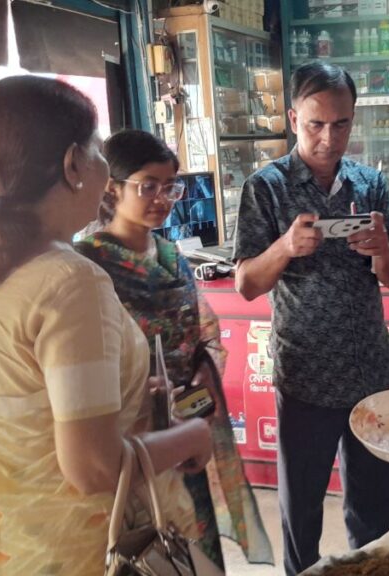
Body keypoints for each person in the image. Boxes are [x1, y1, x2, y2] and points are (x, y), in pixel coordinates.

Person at [0, 76, 213, 575]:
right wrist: (191, 437)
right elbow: (92, 467)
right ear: (72, 165)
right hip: (71, 548)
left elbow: (22, 403)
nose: (105, 167)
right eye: (97, 149)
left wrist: (126, 394)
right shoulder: (68, 280)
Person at [233, 61, 389, 575]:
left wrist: (380, 249)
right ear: (293, 118)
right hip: (307, 373)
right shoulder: (265, 187)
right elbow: (246, 283)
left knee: (372, 507)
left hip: (369, 372)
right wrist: (285, 247)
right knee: (302, 506)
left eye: (342, 124)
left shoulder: (369, 183)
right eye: (316, 124)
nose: (330, 138)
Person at [75, 129, 274, 568]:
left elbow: (200, 331)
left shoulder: (171, 253)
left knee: (195, 535)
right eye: (148, 186)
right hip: (134, 429)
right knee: (149, 540)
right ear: (112, 187)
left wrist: (203, 367)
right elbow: (86, 354)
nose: (162, 198)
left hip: (188, 419)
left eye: (170, 187)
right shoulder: (89, 263)